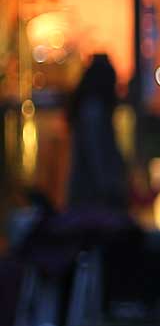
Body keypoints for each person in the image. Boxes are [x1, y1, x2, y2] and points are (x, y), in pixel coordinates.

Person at [64, 53, 129, 214]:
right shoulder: (94, 111)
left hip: (86, 196)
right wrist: (110, 188)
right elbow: (98, 155)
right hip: (93, 198)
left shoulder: (88, 108)